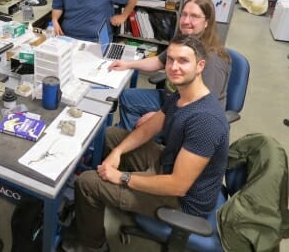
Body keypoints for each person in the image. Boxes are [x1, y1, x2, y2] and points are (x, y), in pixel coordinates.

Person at [61, 34, 230, 252]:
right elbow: (150, 128)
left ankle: (94, 245)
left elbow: (178, 186)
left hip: (183, 201)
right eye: (170, 59)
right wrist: (118, 152)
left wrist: (123, 177)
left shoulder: (206, 121)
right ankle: (100, 197)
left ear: (200, 66)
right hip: (168, 164)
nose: (174, 66)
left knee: (87, 183)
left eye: (183, 61)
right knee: (111, 135)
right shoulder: (182, 96)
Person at [109, 0, 231, 131]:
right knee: (127, 96)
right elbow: (158, 61)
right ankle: (132, 138)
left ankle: (142, 142)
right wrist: (127, 64)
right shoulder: (187, 42)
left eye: (194, 16)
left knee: (135, 126)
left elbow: (202, 106)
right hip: (172, 99)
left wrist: (159, 118)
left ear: (207, 22)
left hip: (190, 116)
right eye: (184, 15)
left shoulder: (212, 60)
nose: (186, 21)